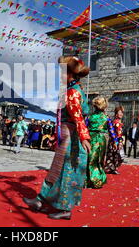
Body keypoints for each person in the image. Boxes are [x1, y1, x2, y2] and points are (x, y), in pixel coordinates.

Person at [23, 56, 90, 220]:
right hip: (67, 135)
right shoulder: (71, 89)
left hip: (72, 138)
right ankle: (41, 201)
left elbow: (78, 117)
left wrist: (84, 137)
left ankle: (64, 208)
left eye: (62, 72)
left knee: (66, 172)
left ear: (70, 74)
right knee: (56, 170)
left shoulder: (73, 92)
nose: (59, 75)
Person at [86, 96, 118, 189]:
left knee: (90, 159)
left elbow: (84, 128)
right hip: (101, 138)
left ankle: (90, 180)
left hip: (91, 138)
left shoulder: (89, 117)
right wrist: (115, 142)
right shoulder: (106, 118)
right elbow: (111, 131)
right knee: (99, 159)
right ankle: (97, 180)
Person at [105, 106, 124, 175]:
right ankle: (113, 168)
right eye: (120, 112)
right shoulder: (115, 122)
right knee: (115, 155)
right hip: (115, 141)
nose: (121, 114)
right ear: (116, 114)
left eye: (122, 112)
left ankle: (113, 168)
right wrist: (117, 141)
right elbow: (116, 133)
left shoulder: (119, 122)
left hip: (119, 141)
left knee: (117, 155)